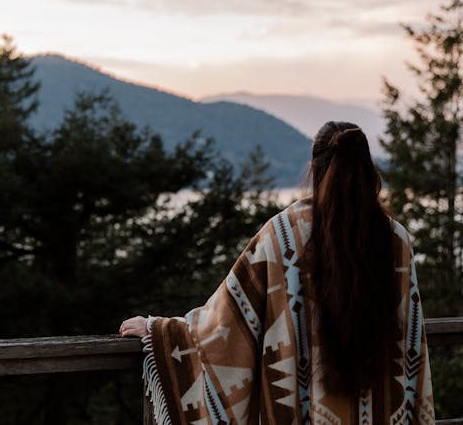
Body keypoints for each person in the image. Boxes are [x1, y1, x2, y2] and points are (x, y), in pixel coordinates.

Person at [120, 121, 434, 424]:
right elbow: (410, 340)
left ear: (314, 168)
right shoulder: (396, 240)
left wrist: (160, 331)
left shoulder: (282, 235)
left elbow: (226, 320)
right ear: (368, 168)